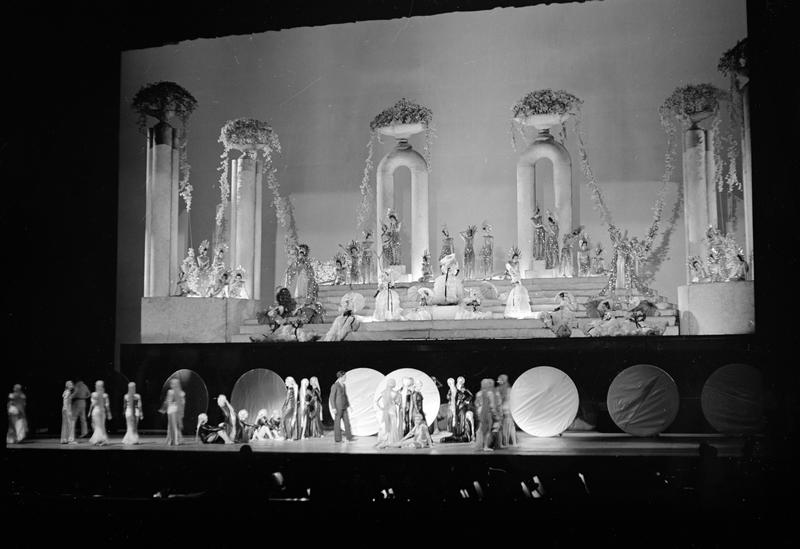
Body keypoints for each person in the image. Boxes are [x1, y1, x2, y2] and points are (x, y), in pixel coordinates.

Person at [504, 247, 535, 319]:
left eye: (517, 258)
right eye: (515, 258)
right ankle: (515, 309)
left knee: (521, 293)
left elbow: (518, 271)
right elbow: (511, 271)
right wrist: (513, 276)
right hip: (514, 278)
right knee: (515, 294)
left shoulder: (517, 263)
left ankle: (521, 309)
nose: (516, 259)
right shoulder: (509, 264)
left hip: (518, 277)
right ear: (513, 257)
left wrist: (517, 276)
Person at [475, 379, 499, 451]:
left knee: (481, 429)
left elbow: (476, 404)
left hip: (480, 413)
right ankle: (485, 446)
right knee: (488, 430)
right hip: (487, 413)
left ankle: (480, 446)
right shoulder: (490, 393)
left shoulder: (478, 393)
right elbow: (492, 405)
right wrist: (496, 415)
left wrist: (478, 412)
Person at [375, 378, 400, 448]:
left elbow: (376, 401)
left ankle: (384, 440)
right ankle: (391, 441)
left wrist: (381, 408)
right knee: (393, 425)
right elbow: (398, 403)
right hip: (392, 410)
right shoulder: (395, 393)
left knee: (385, 425)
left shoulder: (383, 392)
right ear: (393, 384)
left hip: (386, 410)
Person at [329, 371, 353, 442]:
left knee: (347, 422)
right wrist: (333, 408)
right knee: (337, 423)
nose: (345, 378)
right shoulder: (335, 386)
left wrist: (349, 405)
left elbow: (345, 396)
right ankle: (338, 439)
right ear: (340, 377)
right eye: (344, 377)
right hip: (338, 407)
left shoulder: (344, 385)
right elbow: (332, 397)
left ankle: (349, 438)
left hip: (344, 406)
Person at [163, 378, 185, 446]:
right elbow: (183, 403)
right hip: (176, 409)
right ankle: (176, 440)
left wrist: (164, 409)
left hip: (172, 409)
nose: (171, 385)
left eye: (172, 384)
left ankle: (174, 440)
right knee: (176, 425)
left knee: (172, 426)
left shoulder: (170, 392)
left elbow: (167, 402)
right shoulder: (181, 393)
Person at [88, 380, 111, 446]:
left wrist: (89, 412)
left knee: (98, 426)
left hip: (96, 411)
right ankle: (100, 440)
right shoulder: (105, 395)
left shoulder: (94, 394)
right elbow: (107, 405)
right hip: (101, 412)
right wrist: (109, 413)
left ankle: (98, 440)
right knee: (101, 426)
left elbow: (92, 404)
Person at [496, 375, 516, 448]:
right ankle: (513, 443)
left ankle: (505, 442)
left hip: (501, 409)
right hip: (508, 409)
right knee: (510, 426)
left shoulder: (497, 389)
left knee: (503, 427)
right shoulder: (510, 389)